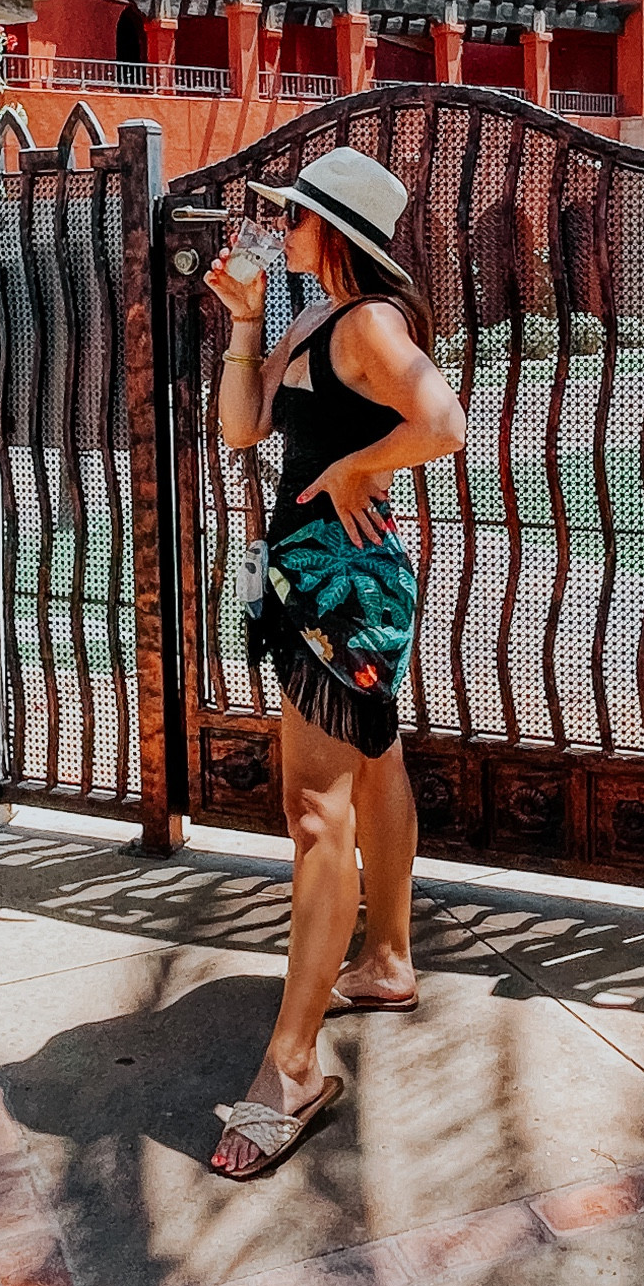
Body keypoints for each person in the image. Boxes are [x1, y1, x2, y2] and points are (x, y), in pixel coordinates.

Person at [202, 147, 466, 1179]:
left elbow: (442, 422)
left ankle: (294, 1065)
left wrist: (359, 464)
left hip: (345, 585)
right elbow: (242, 428)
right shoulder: (314, 319)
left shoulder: (367, 325)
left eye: (293, 217)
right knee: (373, 759)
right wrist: (242, 322)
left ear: (335, 231)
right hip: (312, 577)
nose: (279, 229)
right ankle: (387, 960)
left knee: (315, 813)